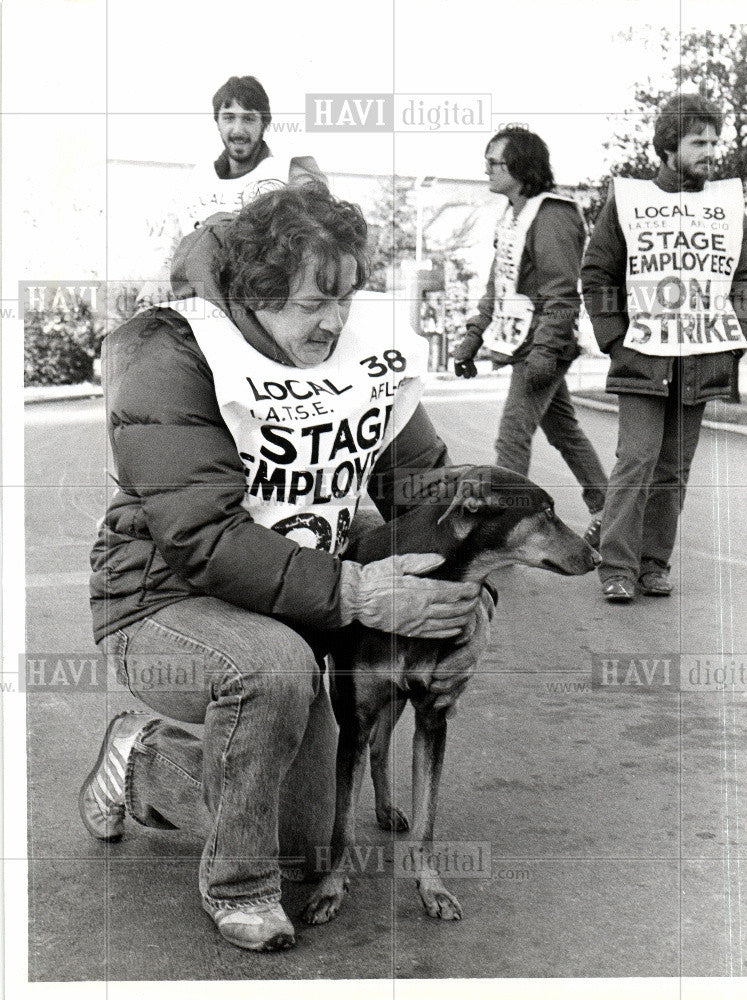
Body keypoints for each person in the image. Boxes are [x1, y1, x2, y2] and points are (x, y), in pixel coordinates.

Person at [82, 185, 492, 951]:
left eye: (346, 296)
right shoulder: (167, 353)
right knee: (273, 670)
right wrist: (357, 590)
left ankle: (158, 765)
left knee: (307, 844)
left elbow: (427, 494)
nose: (335, 321)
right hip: (162, 602)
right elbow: (202, 535)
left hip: (298, 604)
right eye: (313, 302)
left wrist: (467, 597)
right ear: (257, 294)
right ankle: (236, 883)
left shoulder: (355, 346)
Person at [581, 94, 747, 602]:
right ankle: (616, 566)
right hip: (643, 355)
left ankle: (653, 564)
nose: (709, 151)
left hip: (702, 358)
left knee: (673, 470)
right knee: (636, 460)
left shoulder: (727, 206)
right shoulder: (630, 200)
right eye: (697, 142)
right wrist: (614, 336)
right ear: (668, 146)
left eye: (713, 142)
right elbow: (597, 272)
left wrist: (735, 333)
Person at [452, 127, 608, 547]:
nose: (485, 169)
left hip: (543, 346)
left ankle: (505, 531)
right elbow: (497, 288)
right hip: (524, 344)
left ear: (520, 167)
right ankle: (608, 509)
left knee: (511, 439)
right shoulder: (512, 215)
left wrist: (543, 353)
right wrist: (471, 338)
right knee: (564, 432)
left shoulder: (552, 215)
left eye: (493, 163)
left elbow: (562, 294)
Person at [137, 74, 325, 306]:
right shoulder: (198, 178)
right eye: (228, 118)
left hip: (263, 301)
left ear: (264, 123)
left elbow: (322, 241)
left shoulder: (289, 173)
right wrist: (157, 286)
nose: (238, 130)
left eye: (248, 119)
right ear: (217, 122)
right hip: (201, 302)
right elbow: (174, 250)